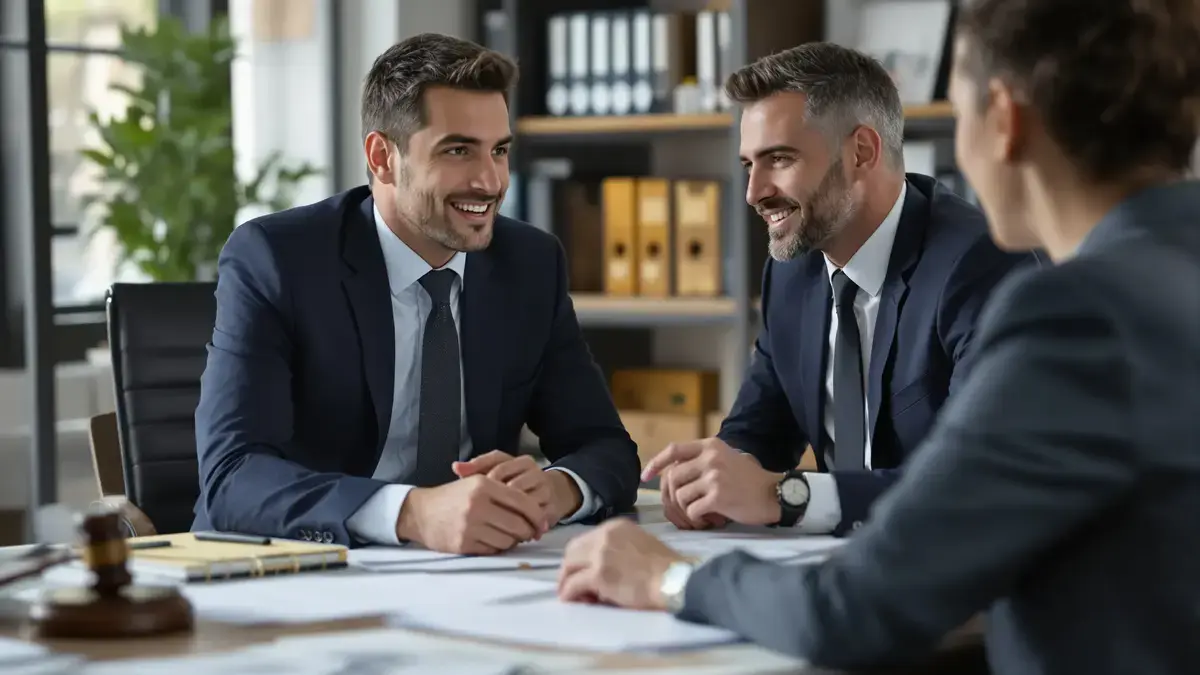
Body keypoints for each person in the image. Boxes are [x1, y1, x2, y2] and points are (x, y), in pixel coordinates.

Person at [556, 0, 1200, 672]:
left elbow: (856, 609)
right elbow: (756, 435)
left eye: (957, 111)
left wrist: (668, 579)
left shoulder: (1074, 314)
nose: (751, 192)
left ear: (1004, 119)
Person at [192, 33, 639, 553]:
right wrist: (412, 513)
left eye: (499, 151)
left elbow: (606, 448)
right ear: (383, 157)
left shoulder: (529, 264)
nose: (490, 181)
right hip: (315, 570)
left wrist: (555, 490)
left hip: (476, 573)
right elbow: (232, 477)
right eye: (458, 150)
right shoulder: (278, 259)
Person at [646, 42, 1031, 536]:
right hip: (833, 567)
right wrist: (715, 476)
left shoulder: (979, 265)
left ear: (861, 152)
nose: (754, 192)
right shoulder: (791, 272)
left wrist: (782, 496)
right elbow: (760, 428)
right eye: (748, 165)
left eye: (778, 159)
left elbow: (977, 482)